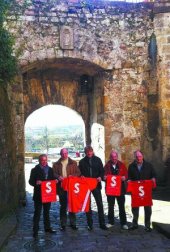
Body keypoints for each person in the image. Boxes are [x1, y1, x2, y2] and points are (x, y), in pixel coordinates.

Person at [79, 146, 107, 230]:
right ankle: (89, 224)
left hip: (96, 184)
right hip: (86, 186)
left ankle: (102, 223)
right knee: (88, 205)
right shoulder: (82, 162)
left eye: (90, 151)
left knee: (100, 204)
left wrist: (100, 177)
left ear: (92, 151)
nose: (89, 153)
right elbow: (79, 173)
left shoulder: (98, 160)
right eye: (87, 152)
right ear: (85, 152)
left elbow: (102, 171)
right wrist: (81, 176)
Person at [29, 154, 56, 239]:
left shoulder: (51, 170)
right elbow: (30, 181)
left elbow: (52, 179)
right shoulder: (34, 170)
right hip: (38, 195)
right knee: (37, 213)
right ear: (39, 160)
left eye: (45, 160)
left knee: (47, 212)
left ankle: (47, 228)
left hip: (48, 195)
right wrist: (36, 182)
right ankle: (35, 230)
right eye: (42, 160)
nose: (44, 162)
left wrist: (55, 181)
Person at [128, 150, 156, 232]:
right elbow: (129, 176)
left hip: (146, 190)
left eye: (140, 156)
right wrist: (129, 180)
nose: (138, 158)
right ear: (135, 157)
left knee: (147, 208)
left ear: (142, 156)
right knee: (135, 208)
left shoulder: (149, 165)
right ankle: (135, 224)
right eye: (137, 157)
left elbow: (153, 174)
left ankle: (147, 225)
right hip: (136, 190)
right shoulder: (131, 166)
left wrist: (153, 178)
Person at [53, 148, 80, 231]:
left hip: (71, 187)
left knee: (72, 205)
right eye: (63, 153)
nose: (64, 155)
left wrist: (73, 176)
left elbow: (78, 173)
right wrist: (58, 176)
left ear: (67, 153)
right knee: (63, 206)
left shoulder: (73, 163)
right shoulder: (56, 164)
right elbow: (53, 173)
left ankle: (73, 223)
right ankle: (63, 224)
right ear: (60, 154)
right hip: (61, 188)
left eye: (66, 153)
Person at [104, 151, 128, 230]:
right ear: (110, 158)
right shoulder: (107, 166)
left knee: (121, 206)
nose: (114, 159)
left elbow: (126, 174)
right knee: (110, 206)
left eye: (115, 157)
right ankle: (111, 222)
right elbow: (103, 175)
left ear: (117, 157)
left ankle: (123, 223)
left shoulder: (121, 165)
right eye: (112, 157)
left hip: (120, 189)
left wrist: (124, 177)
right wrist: (104, 178)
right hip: (110, 190)